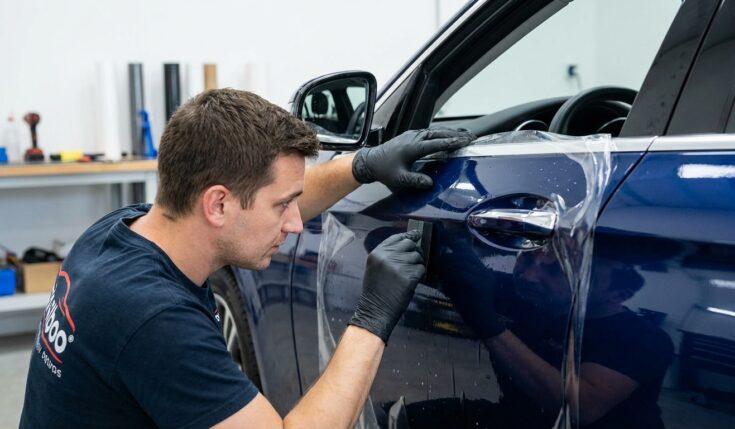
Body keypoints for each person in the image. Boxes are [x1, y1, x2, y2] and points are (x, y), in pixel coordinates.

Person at [20, 88, 474, 429]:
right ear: (217, 204)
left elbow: (258, 207)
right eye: (282, 206)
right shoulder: (154, 320)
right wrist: (371, 318)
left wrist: (361, 165)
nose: (295, 224)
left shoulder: (122, 231)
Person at [442, 241, 674, 429]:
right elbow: (467, 274)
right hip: (520, 419)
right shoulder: (532, 296)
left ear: (618, 295)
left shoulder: (641, 338)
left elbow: (580, 407)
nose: (529, 276)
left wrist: (490, 328)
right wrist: (449, 245)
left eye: (559, 270)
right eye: (527, 258)